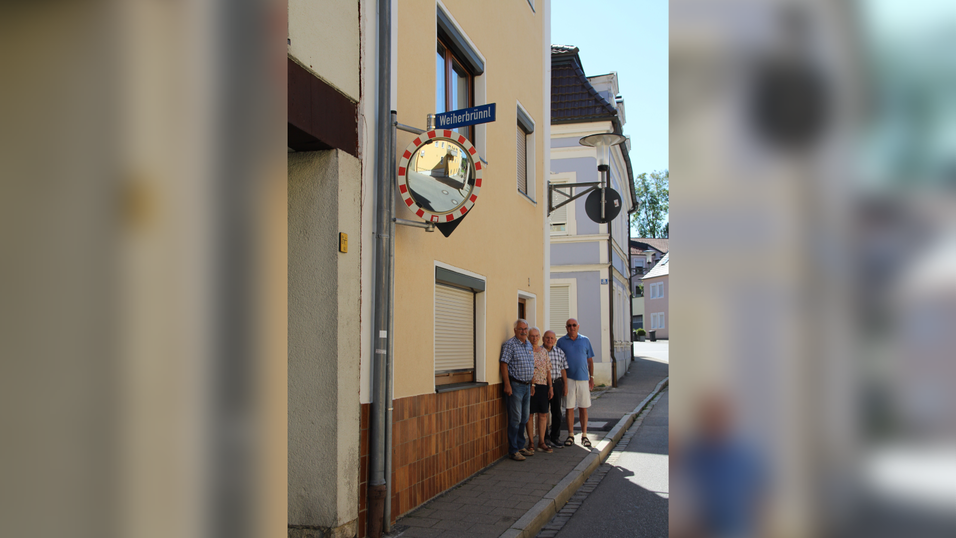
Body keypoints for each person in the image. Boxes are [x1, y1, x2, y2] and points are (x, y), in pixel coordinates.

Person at [499, 319, 536, 461]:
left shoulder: (528, 344)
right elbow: (504, 364)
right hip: (515, 386)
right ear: (515, 330)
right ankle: (513, 450)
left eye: (525, 328)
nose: (523, 331)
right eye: (521, 328)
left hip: (527, 386)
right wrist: (507, 385)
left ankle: (521, 446)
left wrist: (532, 384)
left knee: (524, 418)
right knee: (515, 419)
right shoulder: (510, 345)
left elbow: (531, 365)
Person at [556, 318, 595, 448]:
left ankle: (584, 435)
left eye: (574, 325)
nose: (572, 327)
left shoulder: (585, 340)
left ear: (578, 326)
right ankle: (571, 434)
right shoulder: (561, 342)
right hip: (568, 379)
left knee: (583, 407)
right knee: (569, 407)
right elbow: (558, 361)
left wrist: (592, 377)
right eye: (569, 325)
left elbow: (590, 361)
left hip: (583, 378)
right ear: (566, 327)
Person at [525, 327, 553, 453]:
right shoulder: (525, 350)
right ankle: (531, 442)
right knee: (530, 414)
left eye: (536, 336)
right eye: (532, 336)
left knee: (543, 414)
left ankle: (541, 441)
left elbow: (548, 370)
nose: (534, 338)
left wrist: (550, 387)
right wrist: (531, 384)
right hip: (530, 386)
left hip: (543, 385)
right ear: (528, 337)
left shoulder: (543, 351)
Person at [542, 330, 568, 448]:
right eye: (547, 338)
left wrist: (565, 385)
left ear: (555, 340)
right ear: (543, 339)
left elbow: (563, 370)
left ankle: (555, 437)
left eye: (552, 338)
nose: (549, 340)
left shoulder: (560, 352)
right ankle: (545, 438)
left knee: (557, 411)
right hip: (542, 385)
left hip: (557, 383)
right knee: (543, 412)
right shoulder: (539, 352)